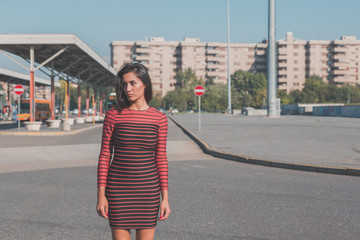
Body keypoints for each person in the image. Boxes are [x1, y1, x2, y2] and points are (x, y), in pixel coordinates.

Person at [97, 63, 170, 240]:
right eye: (124, 84)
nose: (127, 89)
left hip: (148, 191)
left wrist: (165, 197)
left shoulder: (159, 118)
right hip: (118, 191)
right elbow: (105, 155)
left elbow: (161, 157)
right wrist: (101, 195)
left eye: (132, 83)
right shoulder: (114, 115)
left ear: (145, 83)